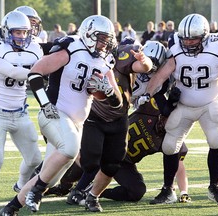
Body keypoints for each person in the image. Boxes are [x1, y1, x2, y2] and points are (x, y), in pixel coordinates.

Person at [0, 14, 122, 216]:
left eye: (107, 40)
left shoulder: (105, 59)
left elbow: (118, 102)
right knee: (70, 149)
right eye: (101, 39)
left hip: (76, 123)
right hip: (55, 113)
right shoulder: (71, 47)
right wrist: (45, 104)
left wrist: (107, 90)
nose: (104, 44)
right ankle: (36, 192)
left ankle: (11, 208)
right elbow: (35, 73)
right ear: (89, 35)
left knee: (51, 177)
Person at [49, 41, 190, 205]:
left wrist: (183, 190)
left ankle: (91, 190)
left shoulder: (160, 104)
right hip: (103, 119)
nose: (147, 73)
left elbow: (176, 159)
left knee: (133, 187)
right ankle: (61, 184)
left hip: (123, 150)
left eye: (153, 70)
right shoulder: (141, 88)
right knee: (90, 157)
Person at [142, 13, 218, 205]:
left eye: (194, 39)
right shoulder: (176, 45)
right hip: (184, 103)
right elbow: (161, 75)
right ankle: (167, 190)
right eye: (186, 39)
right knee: (169, 145)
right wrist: (147, 93)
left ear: (205, 37)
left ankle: (214, 187)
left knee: (216, 140)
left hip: (210, 102)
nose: (189, 43)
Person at [0, 11, 43, 210]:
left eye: (24, 32)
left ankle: (21, 184)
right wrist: (38, 74)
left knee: (35, 159)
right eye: (17, 32)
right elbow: (12, 71)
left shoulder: (35, 49)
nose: (21, 37)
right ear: (6, 31)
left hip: (20, 112)